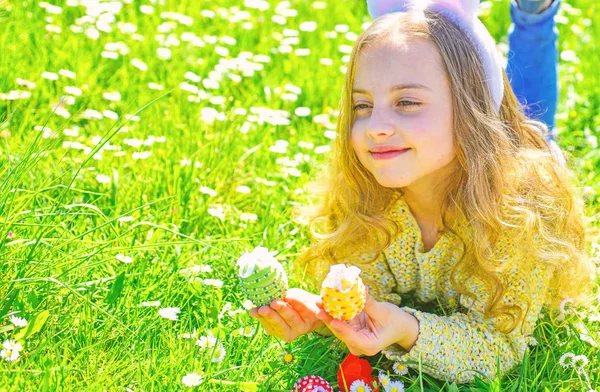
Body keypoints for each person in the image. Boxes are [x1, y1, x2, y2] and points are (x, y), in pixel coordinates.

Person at [248, 0, 597, 385]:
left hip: (507, 161)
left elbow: (498, 345)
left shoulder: (521, 212)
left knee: (537, 119)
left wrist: (408, 328)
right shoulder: (367, 195)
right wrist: (327, 316)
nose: (375, 126)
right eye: (362, 105)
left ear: (469, 110)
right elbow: (369, 294)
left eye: (407, 102)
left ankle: (535, 16)